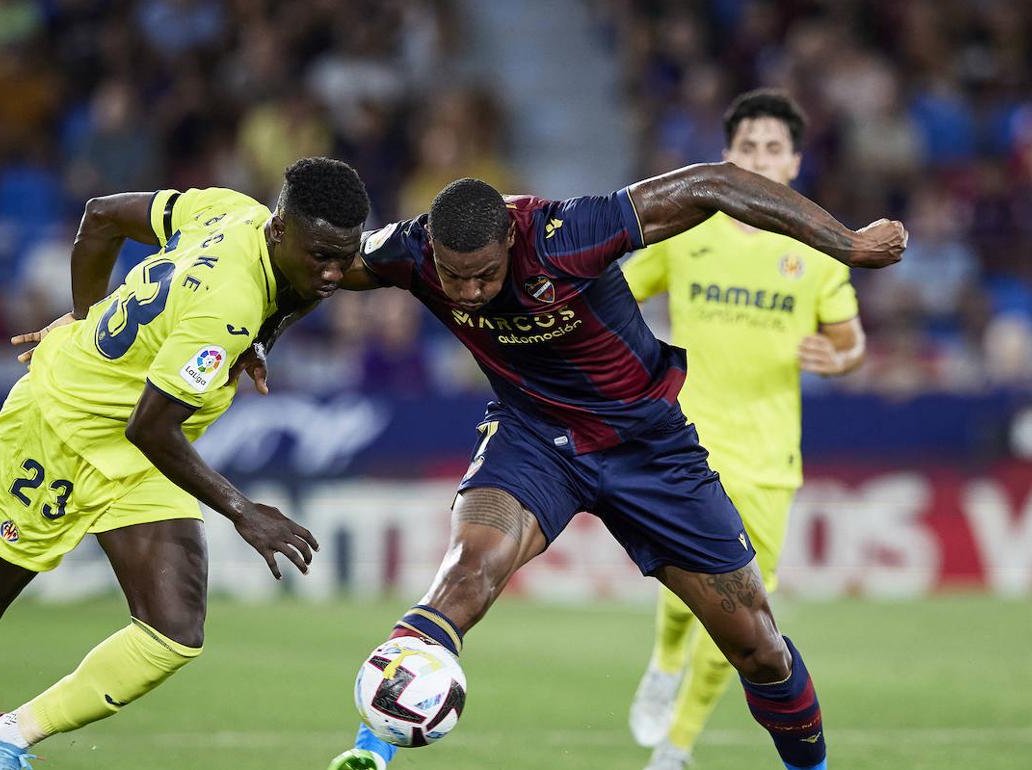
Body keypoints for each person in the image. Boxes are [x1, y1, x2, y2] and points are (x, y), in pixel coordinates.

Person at [286, 160, 903, 770]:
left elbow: (717, 183)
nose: (470, 292)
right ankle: (372, 750)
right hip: (533, 438)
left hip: (649, 448)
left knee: (760, 649)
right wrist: (260, 336)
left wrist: (842, 243)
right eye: (454, 278)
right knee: (468, 570)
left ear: (509, 236)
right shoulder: (412, 249)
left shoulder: (568, 234)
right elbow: (315, 268)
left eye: (484, 275)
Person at [0, 157, 370, 769]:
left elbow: (102, 218)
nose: (335, 272)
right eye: (321, 256)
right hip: (61, 425)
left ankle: (8, 738)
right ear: (281, 230)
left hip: (135, 449)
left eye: (346, 256)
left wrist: (90, 319)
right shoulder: (225, 307)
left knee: (174, 632)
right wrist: (242, 511)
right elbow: (152, 424)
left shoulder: (231, 210)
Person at [621, 89, 867, 770]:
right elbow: (613, 294)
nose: (760, 157)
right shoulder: (689, 232)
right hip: (687, 443)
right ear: (728, 156)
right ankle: (665, 662)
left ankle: (676, 748)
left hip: (768, 458)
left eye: (773, 148)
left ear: (794, 162)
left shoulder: (816, 250)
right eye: (747, 147)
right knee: (689, 593)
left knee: (747, 617)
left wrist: (838, 357)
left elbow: (851, 342)